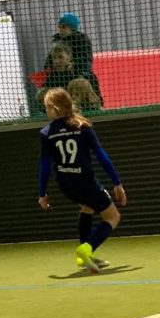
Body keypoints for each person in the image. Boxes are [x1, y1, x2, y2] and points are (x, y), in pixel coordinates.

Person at [38, 88, 127, 272]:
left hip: (65, 184)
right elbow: (102, 156)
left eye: (47, 107)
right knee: (113, 216)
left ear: (55, 108)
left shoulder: (46, 133)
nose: (46, 111)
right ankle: (87, 248)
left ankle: (84, 259)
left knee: (87, 206)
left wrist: (42, 193)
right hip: (85, 181)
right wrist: (117, 183)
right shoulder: (82, 127)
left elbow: (45, 165)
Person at [36, 43, 103, 108]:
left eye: (60, 57)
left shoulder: (81, 72)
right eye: (54, 57)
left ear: (69, 57)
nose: (57, 61)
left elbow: (98, 99)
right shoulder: (51, 77)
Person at [45, 12, 94, 77]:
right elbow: (50, 58)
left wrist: (75, 66)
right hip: (59, 75)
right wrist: (48, 67)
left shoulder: (82, 40)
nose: (60, 30)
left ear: (72, 28)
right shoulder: (57, 40)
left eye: (64, 27)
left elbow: (87, 60)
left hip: (77, 74)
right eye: (59, 27)